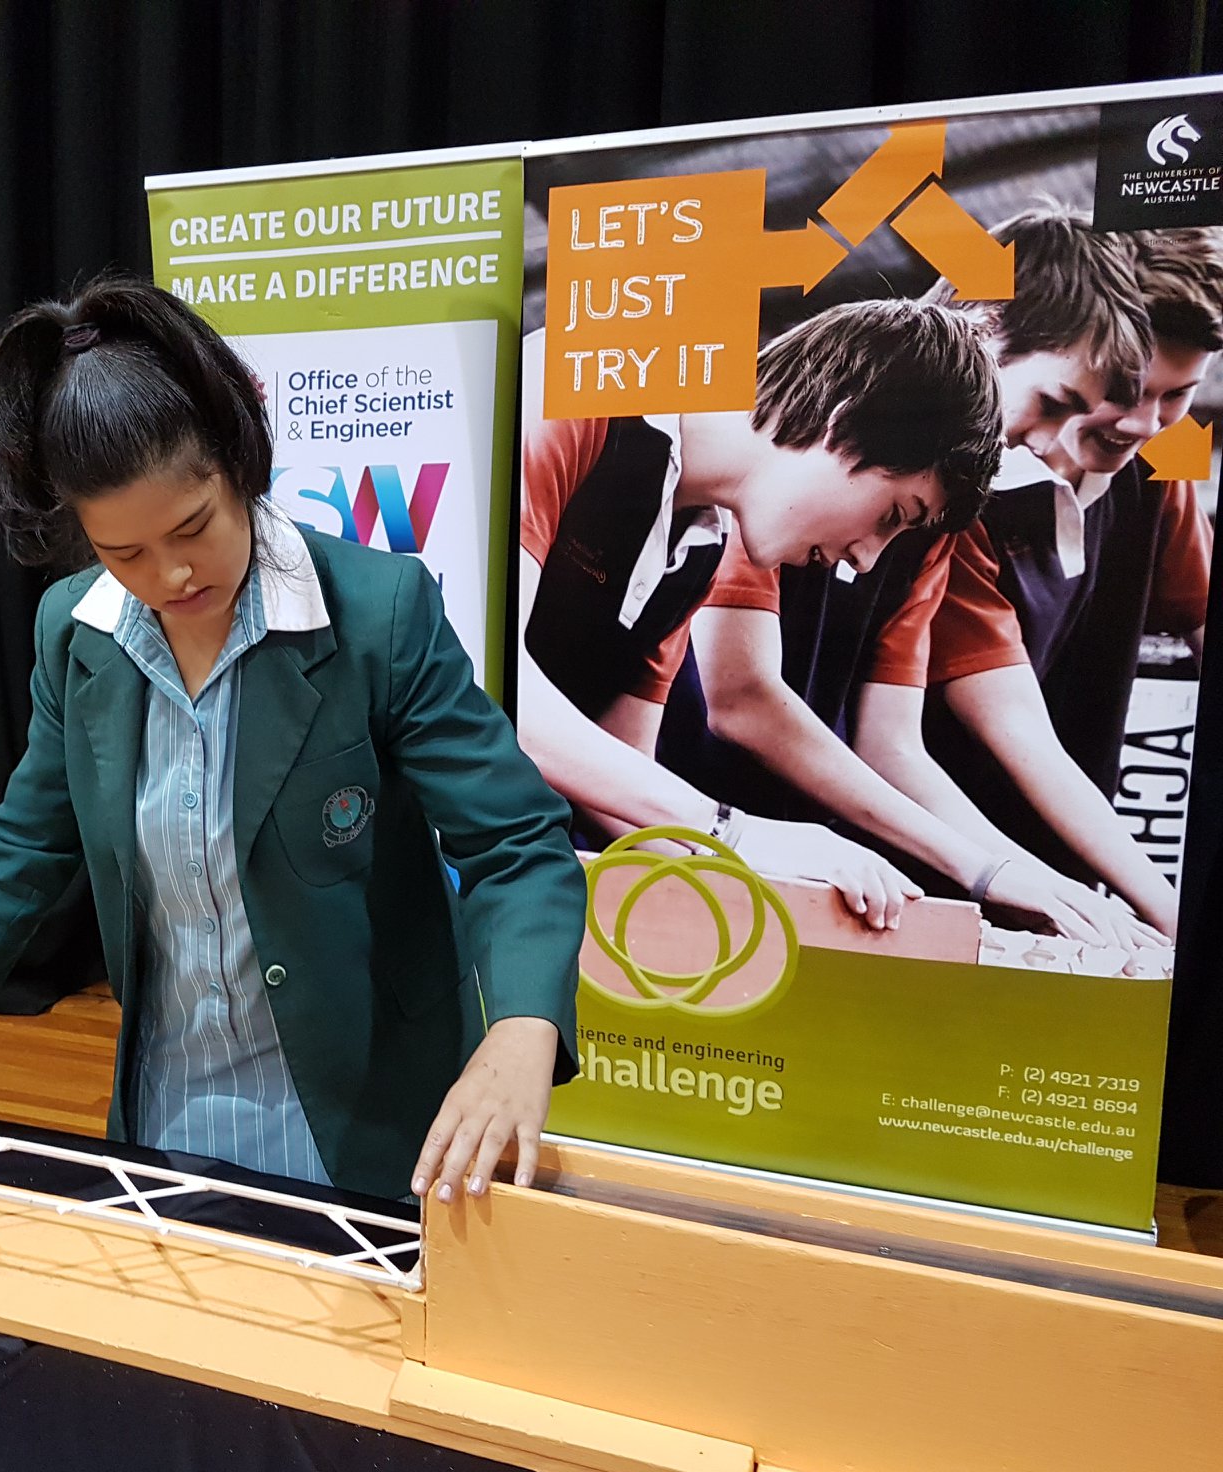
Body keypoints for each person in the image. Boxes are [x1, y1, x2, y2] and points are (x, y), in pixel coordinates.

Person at [0, 274, 588, 1205]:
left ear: (238, 459)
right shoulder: (77, 637)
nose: (170, 574)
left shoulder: (378, 614)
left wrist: (523, 1024)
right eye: (123, 554)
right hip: (166, 1110)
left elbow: (517, 844)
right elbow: (23, 852)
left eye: (193, 528)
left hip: (364, 1110)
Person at [661, 209, 1163, 947]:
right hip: (696, 840)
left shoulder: (938, 525)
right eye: (1053, 403)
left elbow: (893, 741)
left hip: (810, 865)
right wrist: (984, 868)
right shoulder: (787, 458)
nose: (1051, 444)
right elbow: (742, 698)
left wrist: (1013, 873)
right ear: (984, 327)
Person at [515, 298, 1000, 928]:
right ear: (843, 416)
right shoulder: (575, 388)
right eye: (891, 517)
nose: (866, 562)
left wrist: (794, 882)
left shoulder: (696, 548)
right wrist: (735, 832)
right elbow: (481, 679)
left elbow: (621, 797)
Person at [910, 224, 1223, 936]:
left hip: (1076, 890)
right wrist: (1173, 913)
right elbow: (1012, 723)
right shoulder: (954, 491)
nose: (1145, 423)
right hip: (937, 876)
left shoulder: (1159, 464)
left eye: (1179, 396)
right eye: (1128, 390)